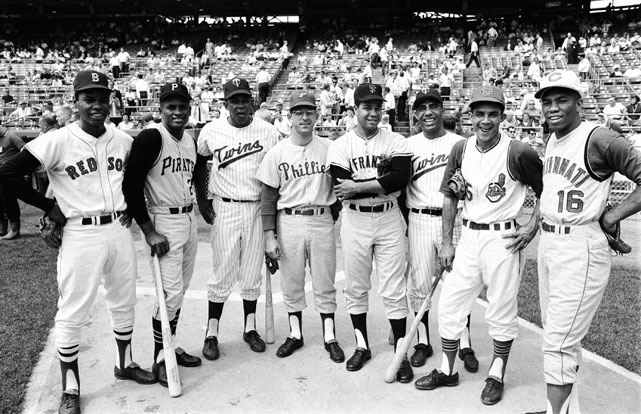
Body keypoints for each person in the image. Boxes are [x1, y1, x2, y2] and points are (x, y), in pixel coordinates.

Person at [0, 70, 156, 414]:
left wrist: (132, 208)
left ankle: (125, 363)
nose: (97, 105)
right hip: (80, 233)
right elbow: (8, 172)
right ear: (76, 102)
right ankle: (70, 387)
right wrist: (49, 207)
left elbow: (133, 180)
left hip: (118, 228)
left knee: (124, 300)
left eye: (102, 99)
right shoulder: (57, 139)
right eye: (89, 99)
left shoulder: (122, 139)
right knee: (72, 310)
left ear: (110, 102)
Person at [415, 86, 543, 406]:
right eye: (479, 114)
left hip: (503, 238)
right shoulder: (461, 148)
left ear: (502, 116)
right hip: (469, 235)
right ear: (470, 116)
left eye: (493, 114)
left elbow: (547, 189)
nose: (486, 121)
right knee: (450, 304)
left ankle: (496, 374)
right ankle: (447, 370)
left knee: (501, 309)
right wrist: (447, 242)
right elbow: (449, 196)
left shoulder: (518, 151)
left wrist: (532, 225)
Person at [527, 70, 641, 414]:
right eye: (547, 101)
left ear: (579, 102)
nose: (553, 107)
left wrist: (613, 214)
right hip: (551, 244)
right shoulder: (553, 139)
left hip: (580, 246)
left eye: (562, 99)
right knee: (562, 337)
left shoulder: (599, 137)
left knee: (558, 342)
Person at [326, 83, 413, 382]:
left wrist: (360, 185)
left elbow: (400, 179)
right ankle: (362, 345)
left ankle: (400, 353)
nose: (374, 112)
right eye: (367, 107)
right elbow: (342, 188)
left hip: (389, 218)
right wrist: (379, 183)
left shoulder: (396, 140)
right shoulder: (340, 145)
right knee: (356, 286)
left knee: (394, 288)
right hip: (355, 220)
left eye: (378, 107)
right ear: (355, 109)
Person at [193, 77, 281, 361]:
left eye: (245, 100)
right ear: (226, 103)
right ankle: (211, 333)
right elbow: (199, 164)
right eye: (235, 100)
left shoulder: (268, 132)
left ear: (252, 102)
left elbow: (277, 175)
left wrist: (273, 224)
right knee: (222, 273)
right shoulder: (211, 130)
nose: (240, 105)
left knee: (252, 273)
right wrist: (203, 200)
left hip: (256, 207)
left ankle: (250, 328)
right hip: (225, 206)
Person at [122, 82, 202, 387]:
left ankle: (170, 344)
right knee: (169, 294)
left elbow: (195, 175)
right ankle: (161, 358)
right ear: (161, 109)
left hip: (188, 218)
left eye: (182, 106)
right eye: (171, 106)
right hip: (163, 219)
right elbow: (131, 184)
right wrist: (148, 230)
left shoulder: (189, 140)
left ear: (190, 109)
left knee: (179, 291)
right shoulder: (152, 136)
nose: (177, 112)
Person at [256, 92, 345, 362]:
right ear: (290, 117)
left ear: (317, 115)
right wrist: (269, 236)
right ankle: (295, 334)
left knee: (325, 280)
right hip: (289, 220)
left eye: (309, 112)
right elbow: (268, 198)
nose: (304, 117)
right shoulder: (277, 153)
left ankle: (329, 336)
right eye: (298, 112)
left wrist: (331, 214)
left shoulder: (330, 147)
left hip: (320, 218)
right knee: (291, 281)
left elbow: (340, 187)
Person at [405, 90, 479, 372]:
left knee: (459, 284)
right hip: (420, 218)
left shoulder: (460, 144)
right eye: (422, 108)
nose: (428, 112)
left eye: (433, 106)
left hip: (455, 219)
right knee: (420, 283)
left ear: (442, 109)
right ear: (415, 114)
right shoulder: (407, 145)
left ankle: (464, 343)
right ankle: (423, 342)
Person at [0, 124, 25, 239]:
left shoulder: (11, 136)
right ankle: (2, 228)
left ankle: (15, 230)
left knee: (9, 201)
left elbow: (25, 151)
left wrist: (16, 167)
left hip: (9, 175)